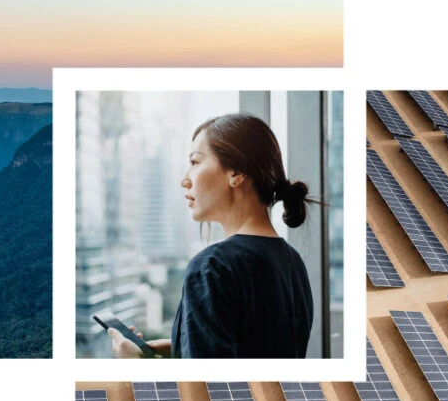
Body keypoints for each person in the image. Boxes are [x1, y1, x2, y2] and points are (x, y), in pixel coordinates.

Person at [108, 113, 315, 359]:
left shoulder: (212, 267)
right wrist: (184, 344)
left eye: (195, 162)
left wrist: (135, 365)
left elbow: (206, 393)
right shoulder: (292, 262)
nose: (185, 179)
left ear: (236, 173)